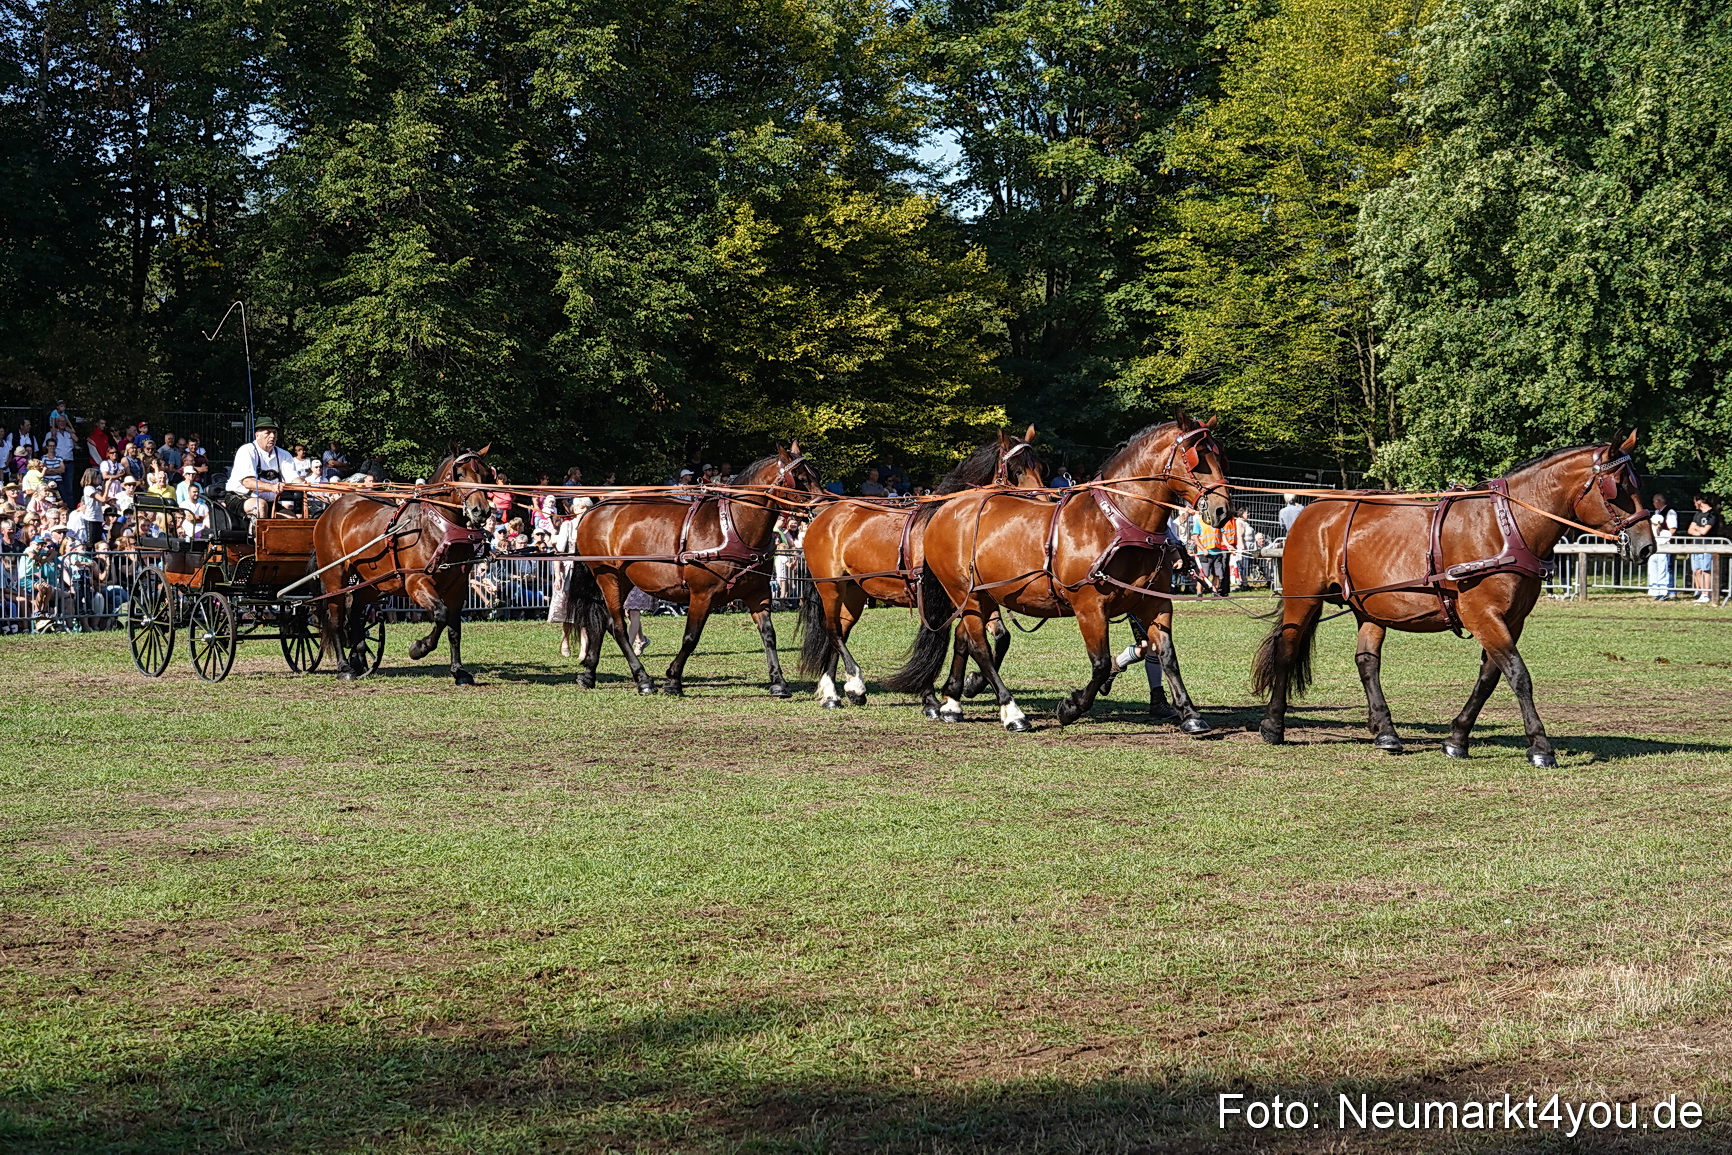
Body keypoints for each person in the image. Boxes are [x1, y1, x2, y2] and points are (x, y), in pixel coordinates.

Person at [226, 417, 298, 519]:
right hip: (241, 498)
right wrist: (272, 487)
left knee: (291, 519)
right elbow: (248, 482)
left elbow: (293, 477)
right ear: (257, 435)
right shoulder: (246, 451)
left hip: (269, 502)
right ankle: (256, 534)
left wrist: (304, 483)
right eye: (267, 433)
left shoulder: (284, 454)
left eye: (274, 433)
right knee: (260, 506)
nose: (272, 436)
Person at [1686, 494, 1722, 603]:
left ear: (1699, 501)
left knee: (1706, 570)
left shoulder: (1712, 514)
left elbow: (1705, 531)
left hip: (1707, 545)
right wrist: (1699, 530)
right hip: (1696, 546)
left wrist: (1697, 528)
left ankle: (1707, 593)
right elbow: (1690, 530)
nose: (1694, 504)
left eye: (1695, 501)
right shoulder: (1697, 514)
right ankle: (1702, 593)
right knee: (1697, 570)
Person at [1647, 493, 1677, 600]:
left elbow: (1672, 528)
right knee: (1655, 567)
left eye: (1654, 502)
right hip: (1656, 543)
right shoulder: (1656, 513)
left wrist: (1667, 539)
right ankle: (1656, 590)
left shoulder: (1670, 512)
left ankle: (1670, 590)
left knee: (1666, 567)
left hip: (1664, 543)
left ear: (1658, 501)